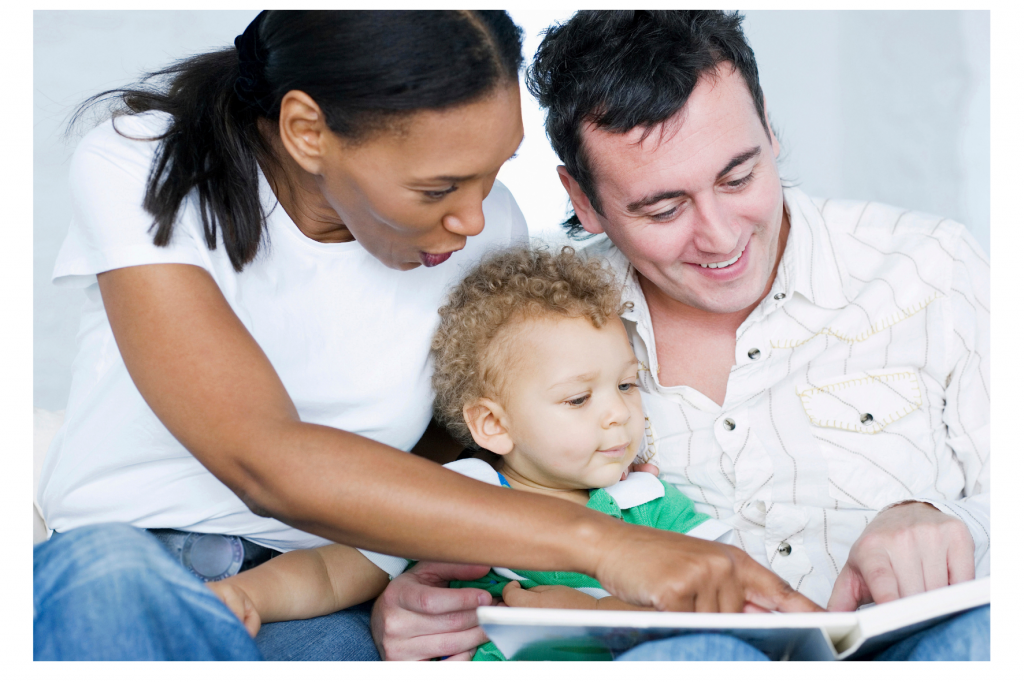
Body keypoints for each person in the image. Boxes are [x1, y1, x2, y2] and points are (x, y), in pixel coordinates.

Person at [33, 10, 817, 661]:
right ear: (308, 130)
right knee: (107, 582)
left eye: (496, 172)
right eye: (437, 188)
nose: (474, 220)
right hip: (123, 564)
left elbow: (477, 446)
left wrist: (422, 579)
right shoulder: (146, 164)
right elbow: (261, 457)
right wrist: (605, 544)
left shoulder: (487, 231)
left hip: (318, 599)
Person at [373, 10, 989, 661]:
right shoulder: (540, 325)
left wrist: (946, 525)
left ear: (769, 128)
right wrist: (411, 604)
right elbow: (459, 501)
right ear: (582, 199)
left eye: (739, 176)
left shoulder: (930, 267)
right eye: (663, 209)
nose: (721, 238)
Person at [207, 246, 739, 661]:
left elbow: (725, 607)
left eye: (626, 386)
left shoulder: (647, 503)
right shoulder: (455, 499)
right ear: (492, 424)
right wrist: (243, 598)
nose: (617, 414)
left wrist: (597, 617)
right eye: (578, 398)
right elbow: (329, 571)